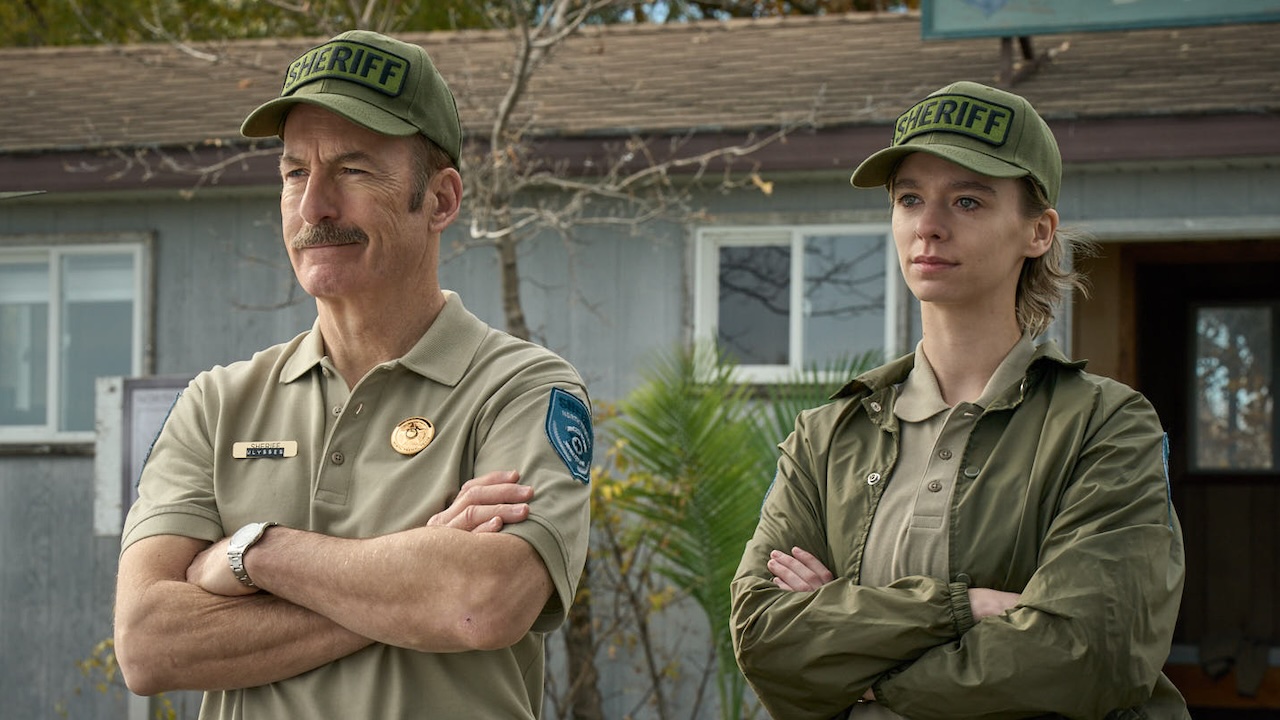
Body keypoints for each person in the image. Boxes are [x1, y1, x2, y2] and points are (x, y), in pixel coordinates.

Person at [113, 30, 593, 719]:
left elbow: (480, 605)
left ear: (441, 201)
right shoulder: (218, 403)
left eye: (354, 170)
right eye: (293, 173)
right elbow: (148, 644)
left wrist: (255, 553)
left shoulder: (521, 390)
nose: (315, 207)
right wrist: (414, 579)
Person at [730, 81, 1189, 719]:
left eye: (967, 200)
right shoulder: (828, 435)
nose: (929, 226)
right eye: (909, 199)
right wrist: (963, 608)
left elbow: (1093, 653)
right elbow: (764, 637)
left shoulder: (1105, 427)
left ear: (1038, 231)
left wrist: (859, 668)